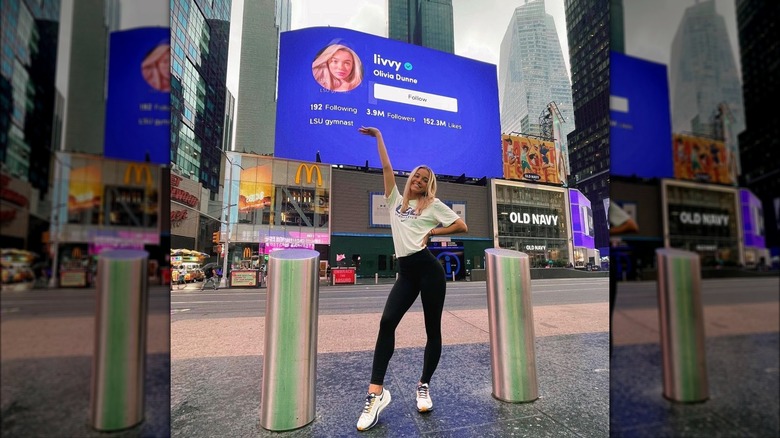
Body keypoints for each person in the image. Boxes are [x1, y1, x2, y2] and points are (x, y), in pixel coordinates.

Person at [355, 126, 468, 431]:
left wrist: (433, 231)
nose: (418, 181)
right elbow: (387, 167)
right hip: (406, 272)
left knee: (433, 330)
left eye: (424, 179)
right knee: (386, 322)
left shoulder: (432, 205)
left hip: (429, 271)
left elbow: (462, 226)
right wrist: (380, 136)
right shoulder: (394, 200)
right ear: (410, 180)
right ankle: (376, 393)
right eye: (416, 176)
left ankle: (424, 385)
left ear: (428, 185)